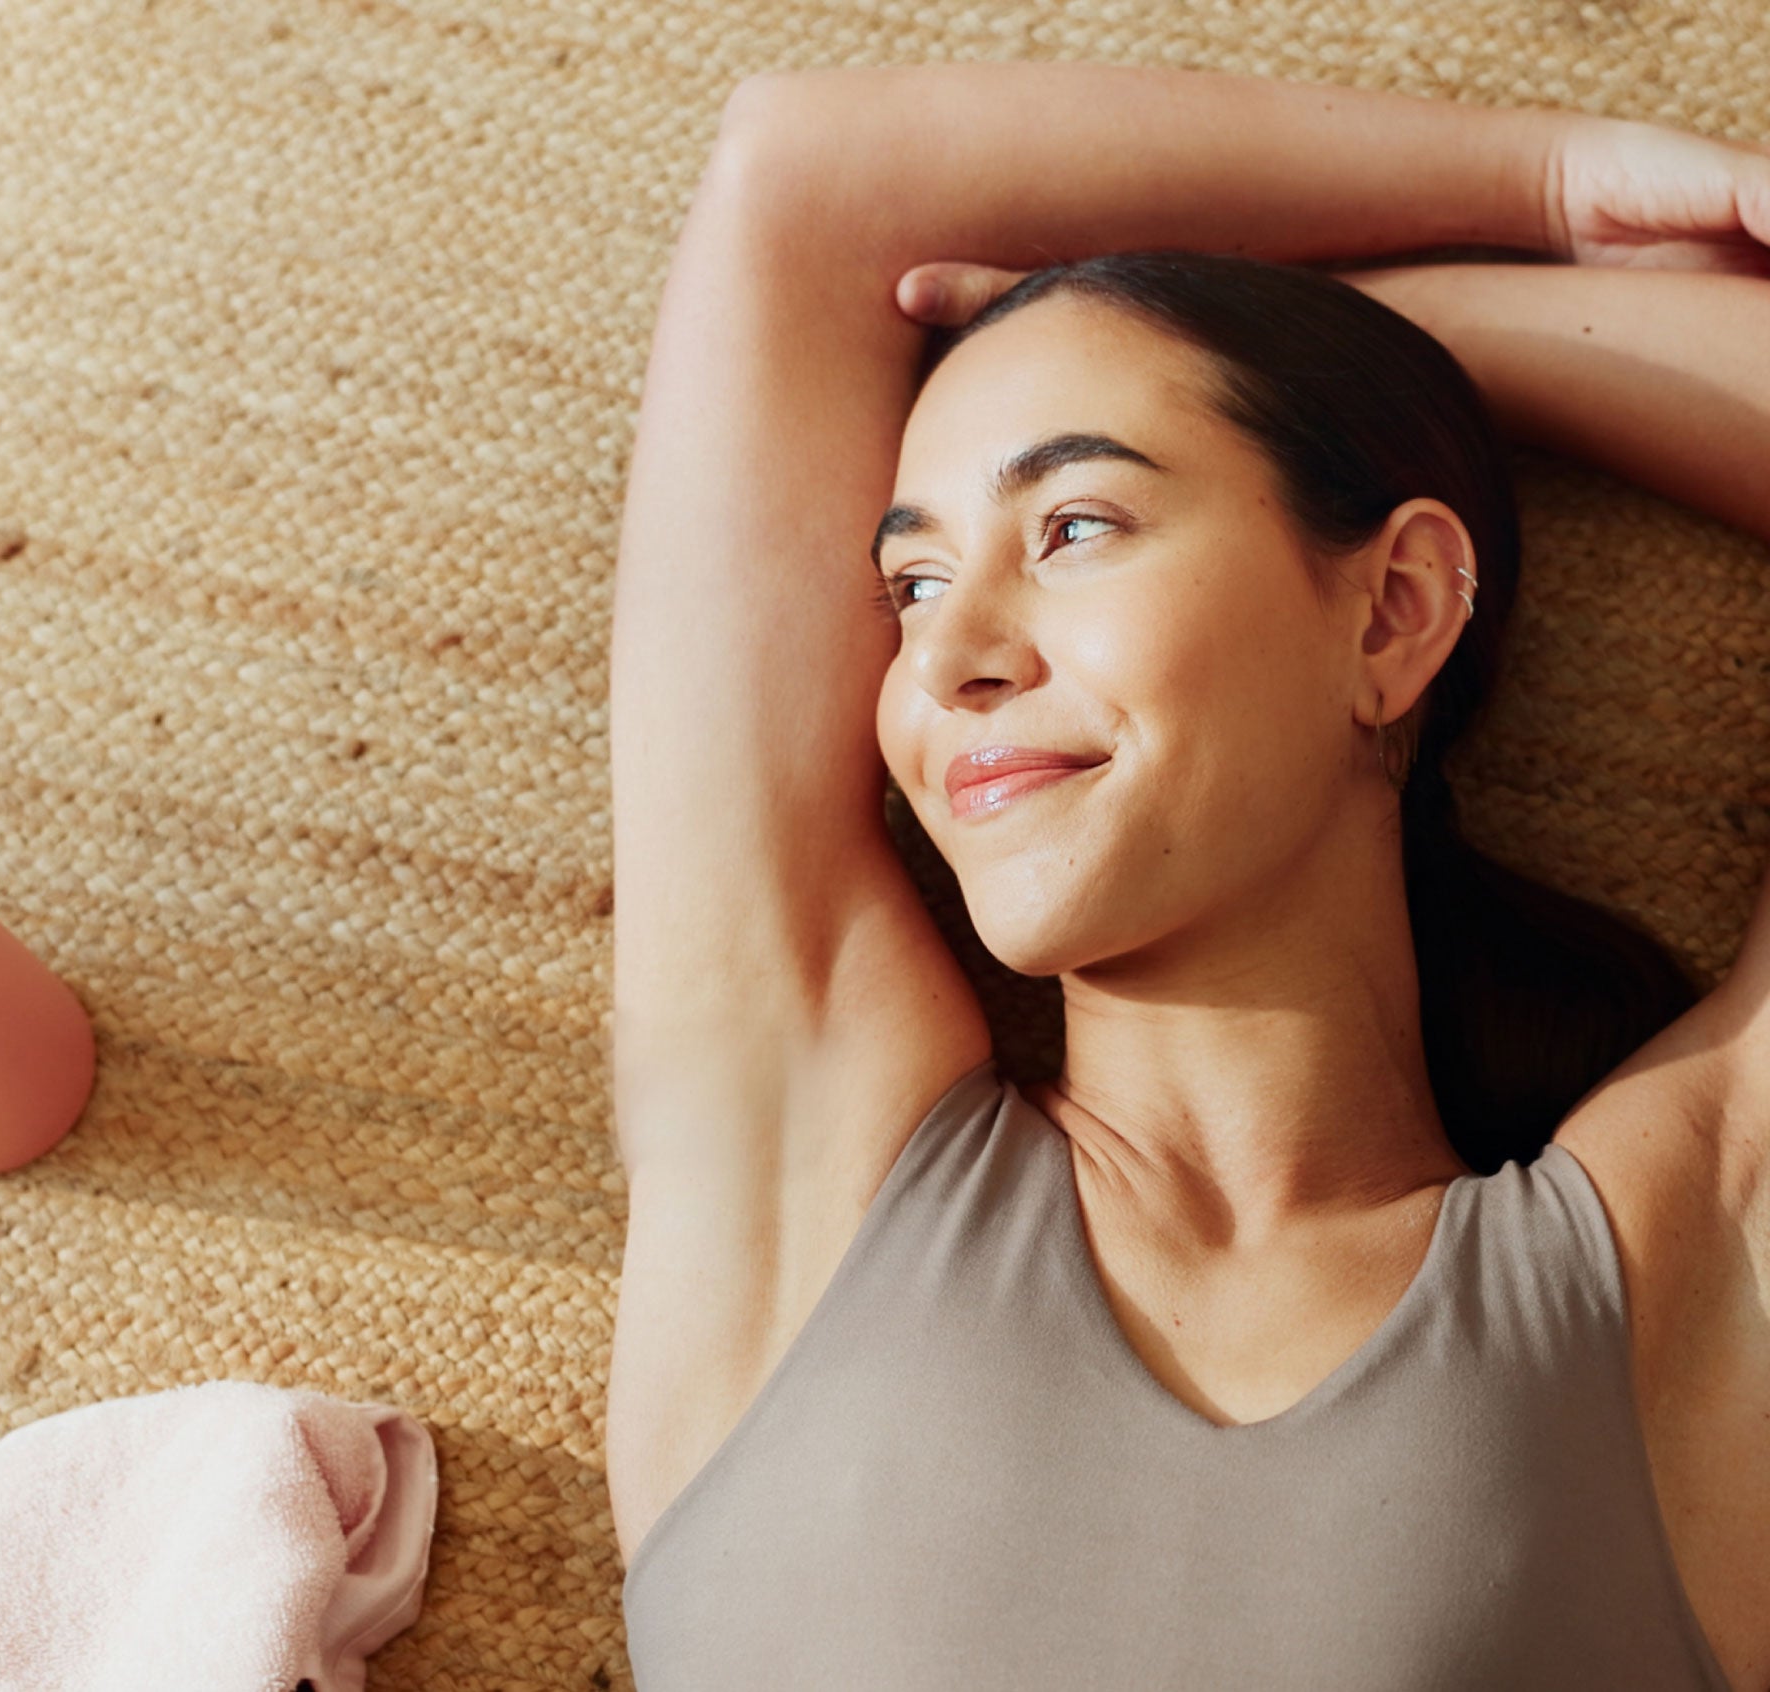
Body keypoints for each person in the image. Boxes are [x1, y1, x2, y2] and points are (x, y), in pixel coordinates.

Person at [605, 58, 1770, 1690]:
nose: (951, 658)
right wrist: (1549, 183)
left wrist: (1407, 336)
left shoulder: (1665, 1306)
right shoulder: (802, 1180)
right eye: (910, 583)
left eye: (1074, 527)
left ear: (1393, 613)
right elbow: (802, 175)